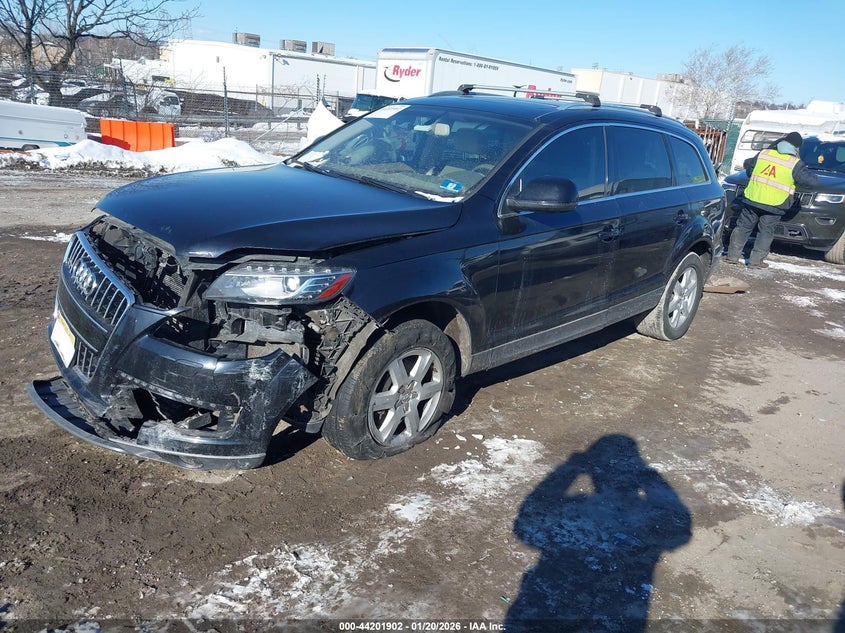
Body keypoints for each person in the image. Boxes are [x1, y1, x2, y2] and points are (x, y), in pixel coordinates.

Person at [725, 131, 819, 268]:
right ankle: (756, 262)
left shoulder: (764, 154)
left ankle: (732, 256)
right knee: (766, 232)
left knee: (743, 227)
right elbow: (811, 182)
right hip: (775, 203)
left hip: (753, 198)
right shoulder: (795, 163)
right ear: (797, 147)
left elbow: (749, 171)